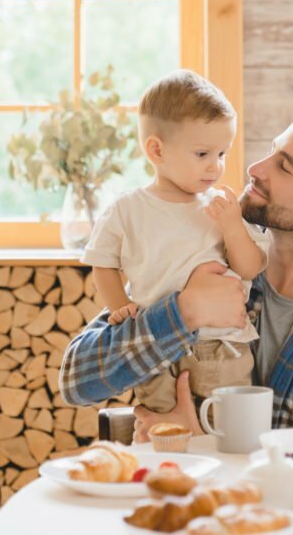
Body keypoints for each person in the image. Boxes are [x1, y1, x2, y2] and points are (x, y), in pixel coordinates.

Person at [60, 103, 293, 437]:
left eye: (283, 166)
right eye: (271, 151)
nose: (256, 168)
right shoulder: (207, 249)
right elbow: (77, 382)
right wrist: (183, 312)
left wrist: (205, 441)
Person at [80, 69, 268, 416]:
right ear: (156, 150)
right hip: (155, 344)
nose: (216, 166)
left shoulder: (222, 207)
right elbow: (103, 260)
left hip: (221, 344)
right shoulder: (127, 209)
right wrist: (120, 305)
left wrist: (232, 227)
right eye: (202, 154)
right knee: (163, 427)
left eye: (222, 154)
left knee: (223, 427)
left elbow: (251, 267)